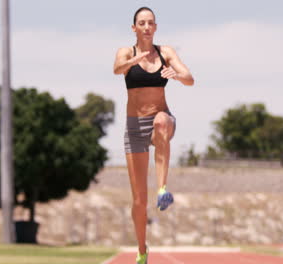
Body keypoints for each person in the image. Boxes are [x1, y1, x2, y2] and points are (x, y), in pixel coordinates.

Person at [113, 6, 194, 264]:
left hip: (161, 117)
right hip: (135, 126)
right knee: (138, 201)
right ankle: (141, 249)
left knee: (160, 123)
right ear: (134, 27)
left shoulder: (166, 52)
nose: (146, 27)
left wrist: (178, 75)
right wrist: (133, 62)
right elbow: (116, 69)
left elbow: (190, 78)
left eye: (151, 23)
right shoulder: (127, 52)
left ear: (155, 27)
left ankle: (162, 189)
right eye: (141, 23)